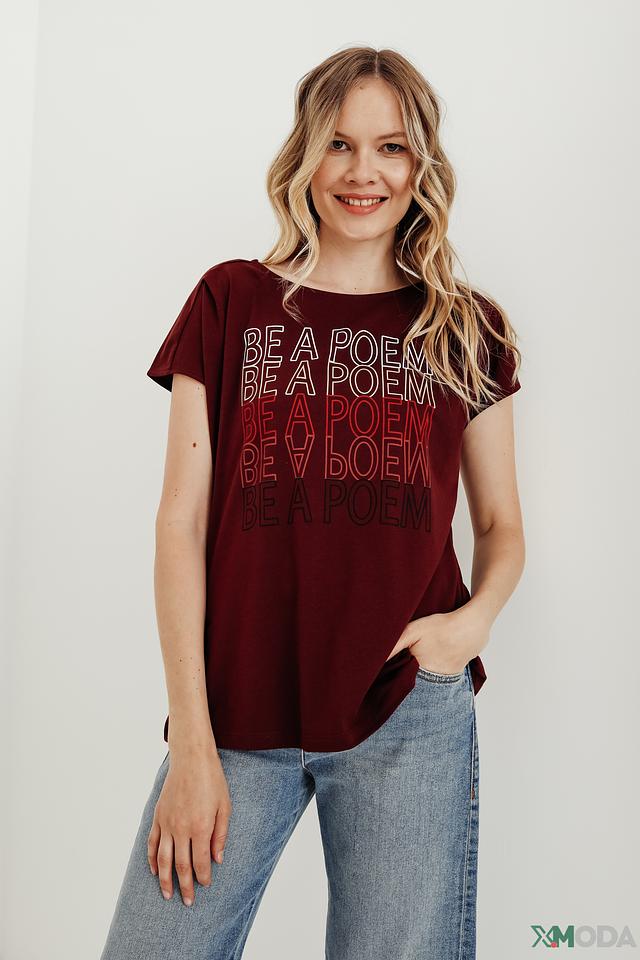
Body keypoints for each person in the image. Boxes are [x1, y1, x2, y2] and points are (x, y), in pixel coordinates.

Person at [100, 45, 524, 960]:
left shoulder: (466, 329)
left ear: (420, 164)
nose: (363, 172)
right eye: (339, 144)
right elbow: (179, 523)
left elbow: (500, 526)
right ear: (304, 155)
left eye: (390, 147)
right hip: (237, 710)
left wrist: (470, 625)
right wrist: (192, 743)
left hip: (406, 709)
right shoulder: (231, 303)